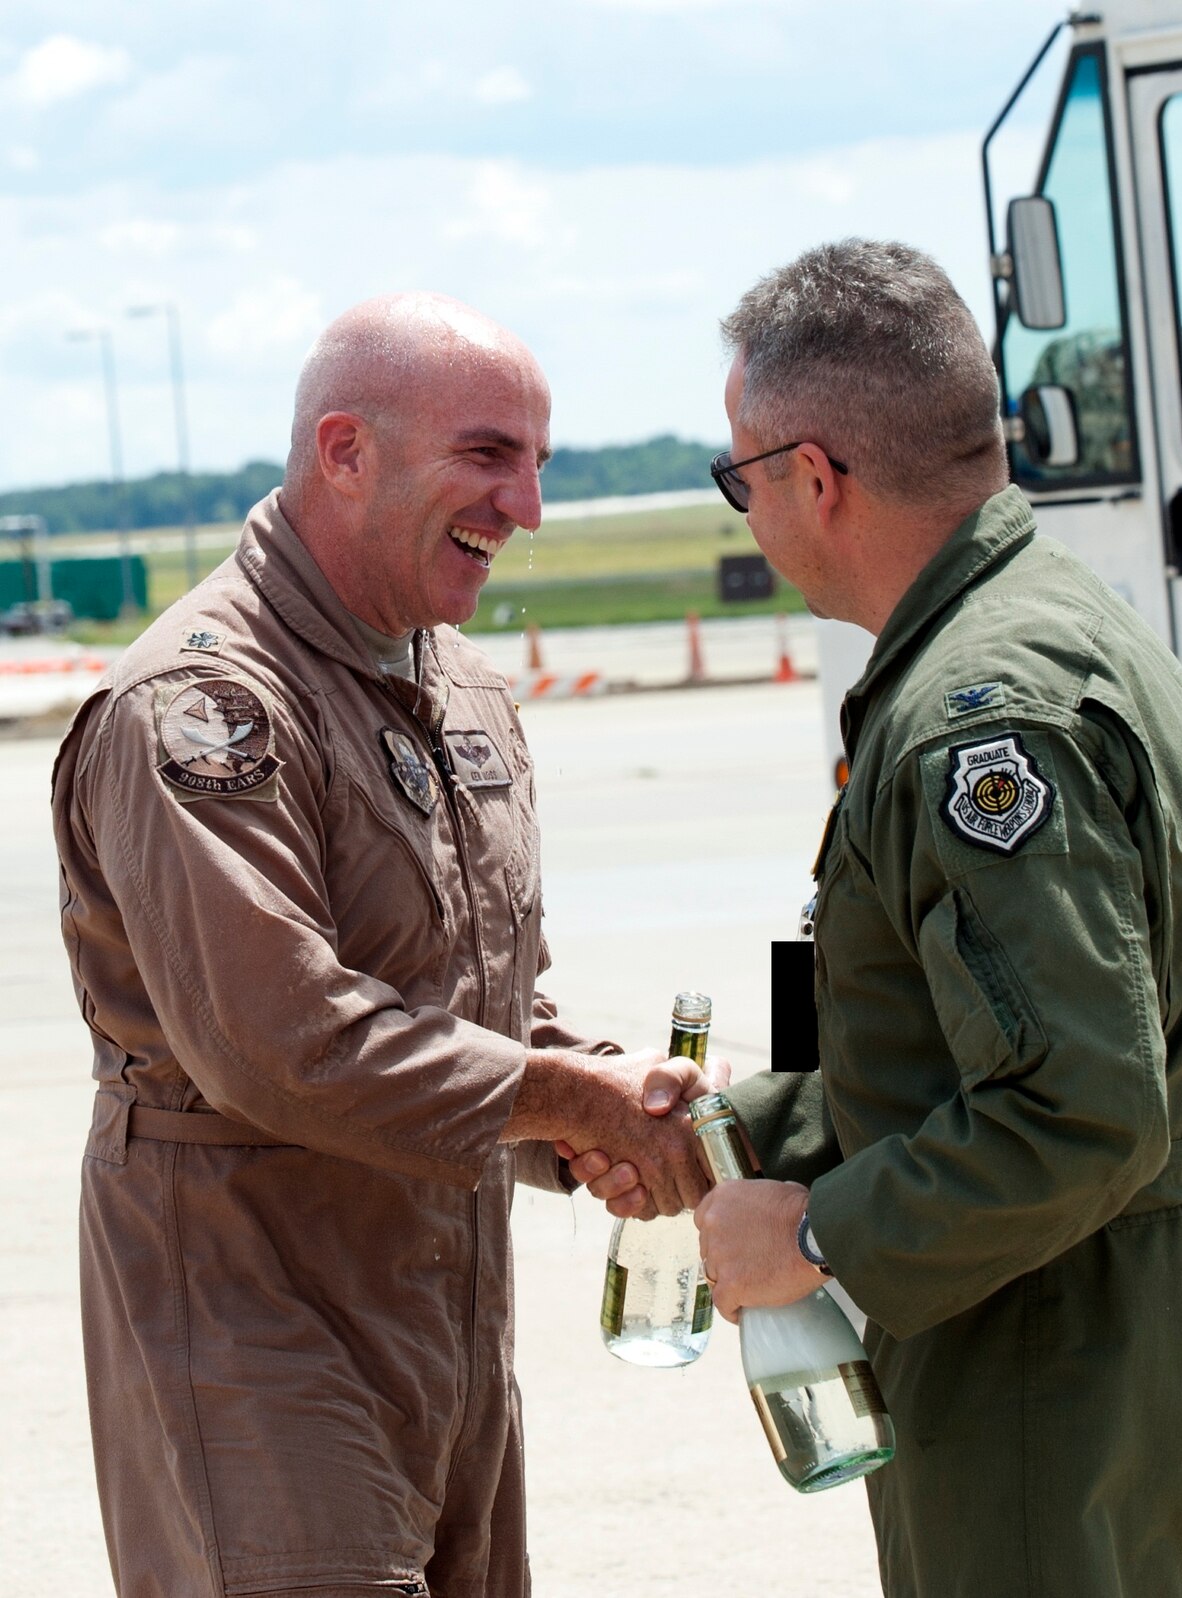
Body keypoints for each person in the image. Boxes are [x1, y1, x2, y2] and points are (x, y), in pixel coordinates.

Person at [635, 239, 1182, 1596]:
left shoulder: (977, 715)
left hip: (1058, 1353)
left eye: (741, 480)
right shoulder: (1041, 630)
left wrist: (815, 1236)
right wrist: (715, 1134)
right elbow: (957, 1051)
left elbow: (1077, 1108)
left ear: (813, 477)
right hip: (1116, 1317)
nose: (745, 517)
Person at [52, 293, 709, 1598]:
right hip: (256, 1321)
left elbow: (474, 999)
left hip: (449, 1317)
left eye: (538, 463)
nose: (526, 506)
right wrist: (569, 1099)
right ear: (346, 450)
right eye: (488, 455)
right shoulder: (205, 707)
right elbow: (282, 1042)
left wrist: (615, 1098)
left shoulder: (456, 684)